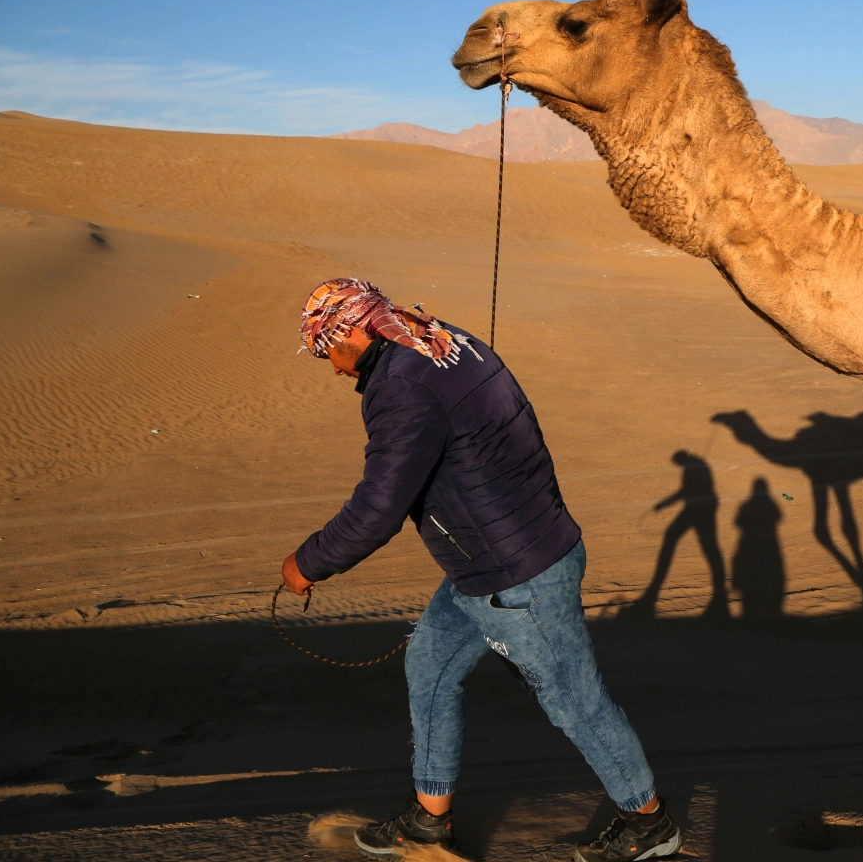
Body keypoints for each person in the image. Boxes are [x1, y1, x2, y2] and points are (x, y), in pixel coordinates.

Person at [281, 279, 681, 861]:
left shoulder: (400, 388)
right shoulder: (440, 337)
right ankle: (428, 821)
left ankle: (650, 824)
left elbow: (380, 506)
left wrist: (309, 561)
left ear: (355, 330)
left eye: (328, 351)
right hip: (485, 562)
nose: (335, 370)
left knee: (574, 702)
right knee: (431, 669)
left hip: (519, 573)